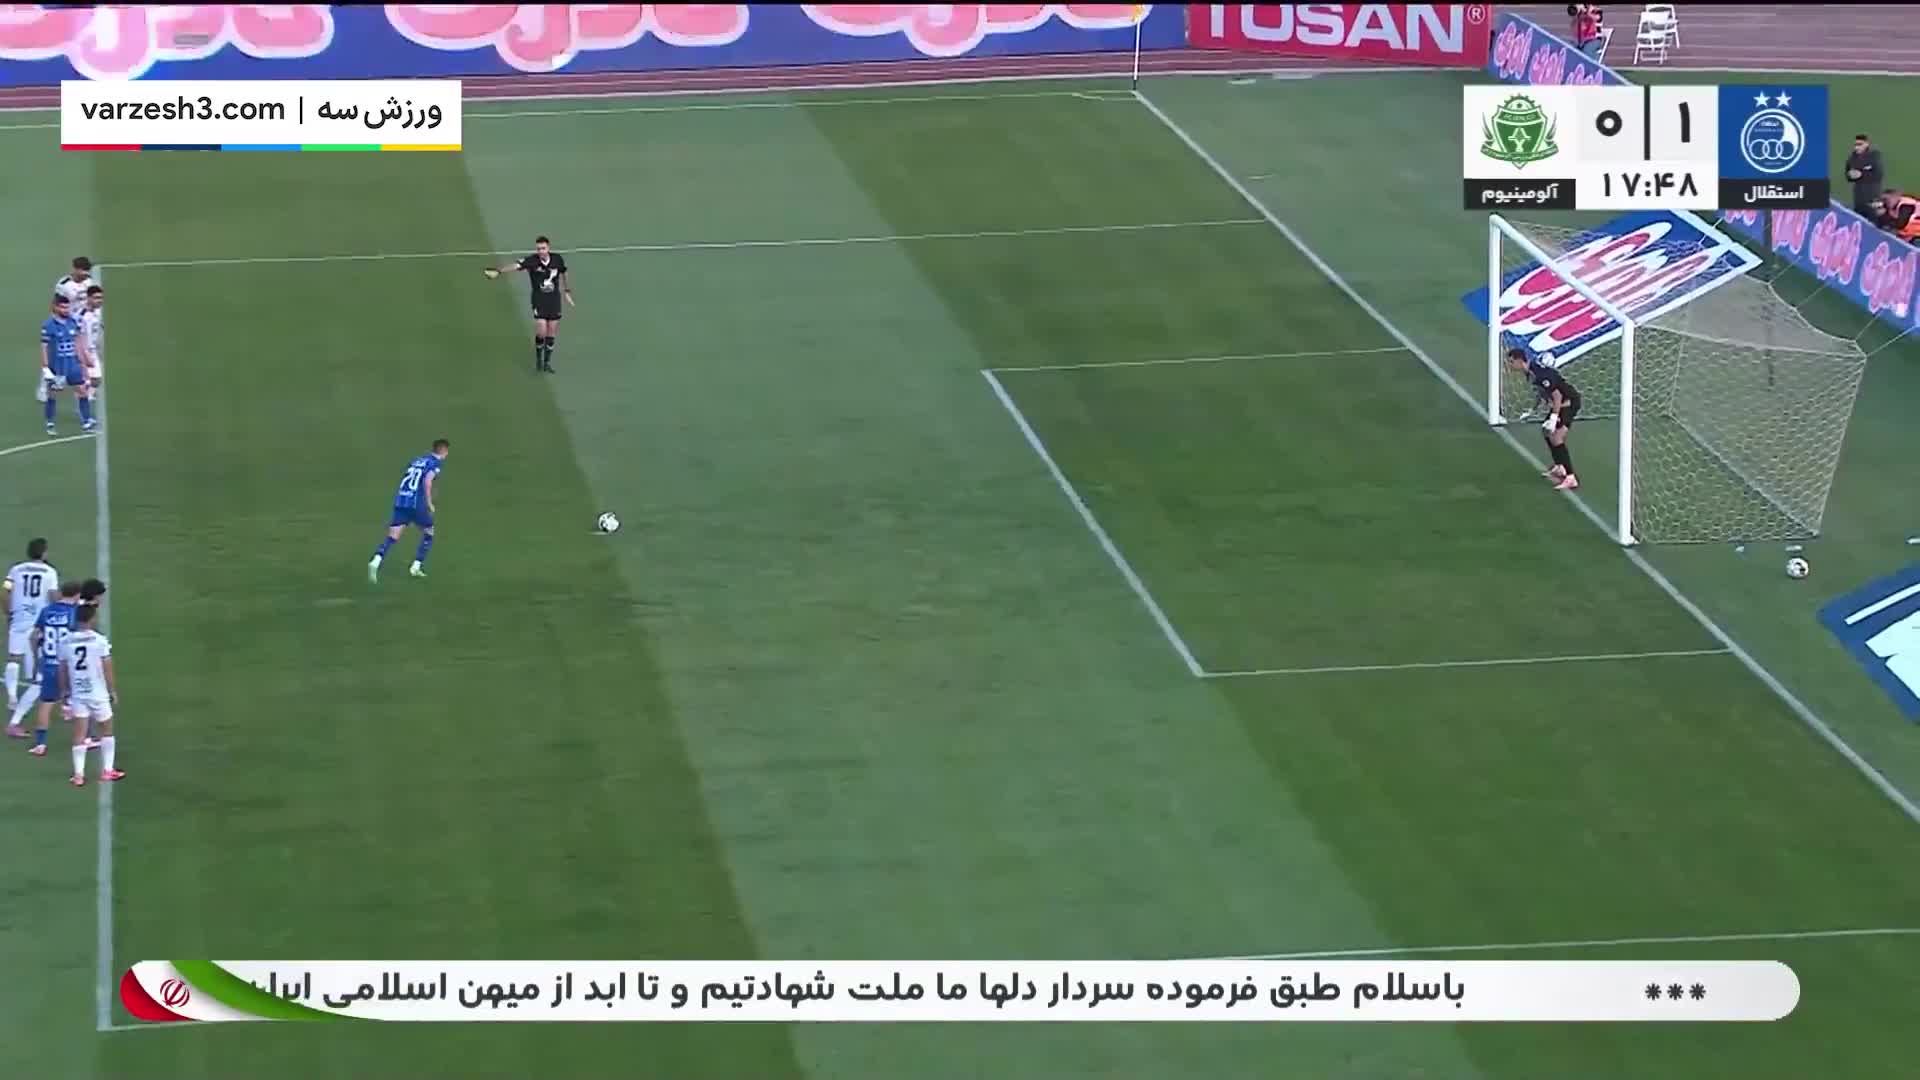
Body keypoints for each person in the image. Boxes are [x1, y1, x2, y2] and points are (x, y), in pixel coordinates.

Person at [485, 237, 573, 373]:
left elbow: (564, 272)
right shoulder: (532, 261)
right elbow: (516, 266)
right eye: (538, 249)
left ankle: (547, 363)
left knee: (551, 332)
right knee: (541, 331)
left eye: (543, 248)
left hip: (554, 300)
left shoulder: (557, 259)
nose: (541, 251)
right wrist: (499, 271)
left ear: (548, 248)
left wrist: (567, 291)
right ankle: (538, 359)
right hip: (539, 300)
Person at [369, 439, 449, 583]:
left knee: (393, 536)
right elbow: (428, 481)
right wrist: (429, 503)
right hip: (415, 503)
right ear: (443, 450)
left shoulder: (417, 460)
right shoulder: (435, 463)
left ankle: (376, 560)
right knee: (429, 532)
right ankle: (416, 566)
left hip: (401, 500)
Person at [15, 580, 80, 754]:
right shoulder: (75, 612)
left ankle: (40, 744)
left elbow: (34, 636)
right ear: (77, 595)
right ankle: (85, 738)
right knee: (82, 701)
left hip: (49, 663)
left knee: (46, 703)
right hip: (68, 665)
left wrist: (37, 658)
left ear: (61, 592)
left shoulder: (46, 611)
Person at [59, 603, 119, 787]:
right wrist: (112, 690)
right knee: (106, 729)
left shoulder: (66, 641)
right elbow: (107, 667)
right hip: (98, 692)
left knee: (80, 732)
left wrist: (64, 691)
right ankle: (108, 770)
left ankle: (78, 775)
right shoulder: (99, 640)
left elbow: (63, 670)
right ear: (92, 619)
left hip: (78, 693)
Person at [1508, 348, 1581, 491]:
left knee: (1556, 437)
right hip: (1560, 404)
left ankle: (1571, 477)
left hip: (1568, 403)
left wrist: (1553, 418)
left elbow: (1557, 396)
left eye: (1511, 362)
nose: (1510, 365)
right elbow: (1541, 392)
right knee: (1546, 432)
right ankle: (1560, 467)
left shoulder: (1539, 375)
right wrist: (1532, 410)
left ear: (1519, 360)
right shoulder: (1530, 372)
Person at [3, 537, 56, 722]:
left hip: (19, 616)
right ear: (44, 553)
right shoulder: (50, 572)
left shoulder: (15, 570)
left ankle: (12, 696)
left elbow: (5, 590)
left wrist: (8, 612)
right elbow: (53, 596)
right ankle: (34, 689)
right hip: (38, 620)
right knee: (38, 660)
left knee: (14, 657)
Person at [39, 294, 95, 436]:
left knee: (82, 391)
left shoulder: (72, 322)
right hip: (57, 367)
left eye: (67, 307)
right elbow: (44, 347)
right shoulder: (48, 326)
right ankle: (50, 423)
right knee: (53, 394)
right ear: (56, 307)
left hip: (72, 365)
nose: (66, 310)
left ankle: (86, 422)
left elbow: (78, 343)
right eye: (63, 307)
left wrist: (83, 363)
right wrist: (45, 368)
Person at [1847, 134, 1884, 219]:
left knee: (1873, 220)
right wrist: (1850, 175)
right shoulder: (1852, 158)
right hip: (1859, 198)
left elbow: (1878, 174)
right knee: (1859, 219)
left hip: (1872, 196)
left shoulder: (1874, 156)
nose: (1857, 147)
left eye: (1860, 144)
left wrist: (1861, 174)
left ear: (1866, 144)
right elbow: (1848, 175)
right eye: (1855, 145)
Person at [78, 284, 105, 387]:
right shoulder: (83, 316)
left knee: (95, 382)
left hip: (92, 351)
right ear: (88, 298)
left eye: (101, 298)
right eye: (96, 298)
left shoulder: (96, 312)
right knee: (88, 383)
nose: (100, 301)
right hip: (86, 353)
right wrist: (86, 356)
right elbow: (79, 337)